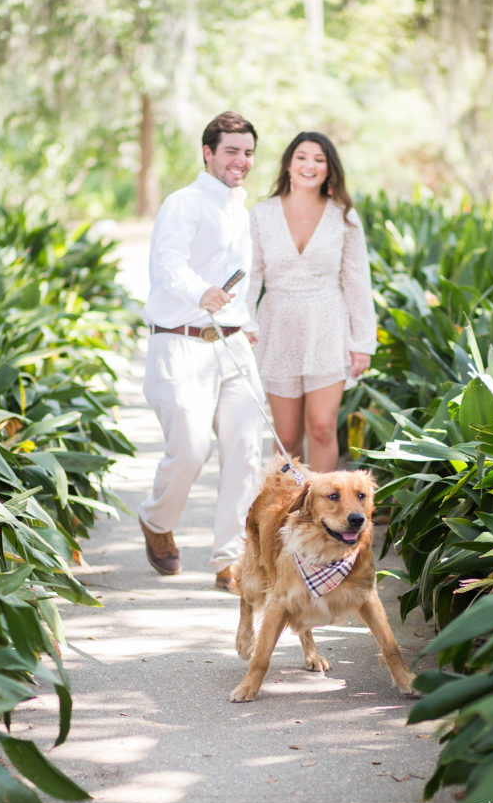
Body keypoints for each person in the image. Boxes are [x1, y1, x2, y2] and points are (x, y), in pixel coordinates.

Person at [138, 111, 265, 593]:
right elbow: (167, 263)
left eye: (249, 152)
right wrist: (201, 291)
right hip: (179, 340)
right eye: (232, 150)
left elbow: (243, 281)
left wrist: (245, 324)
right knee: (190, 448)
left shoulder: (241, 209)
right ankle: (156, 518)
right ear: (208, 152)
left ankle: (229, 561)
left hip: (231, 346)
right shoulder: (183, 203)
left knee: (246, 453)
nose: (242, 160)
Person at [247, 131, 376, 473]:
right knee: (286, 436)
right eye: (302, 157)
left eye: (319, 159)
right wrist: (244, 325)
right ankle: (287, 516)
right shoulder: (261, 215)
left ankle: (324, 519)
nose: (310, 165)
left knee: (321, 427)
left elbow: (357, 281)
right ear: (288, 165)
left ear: (329, 170)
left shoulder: (344, 217)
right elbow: (252, 275)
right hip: (278, 326)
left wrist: (362, 343)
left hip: (327, 327)